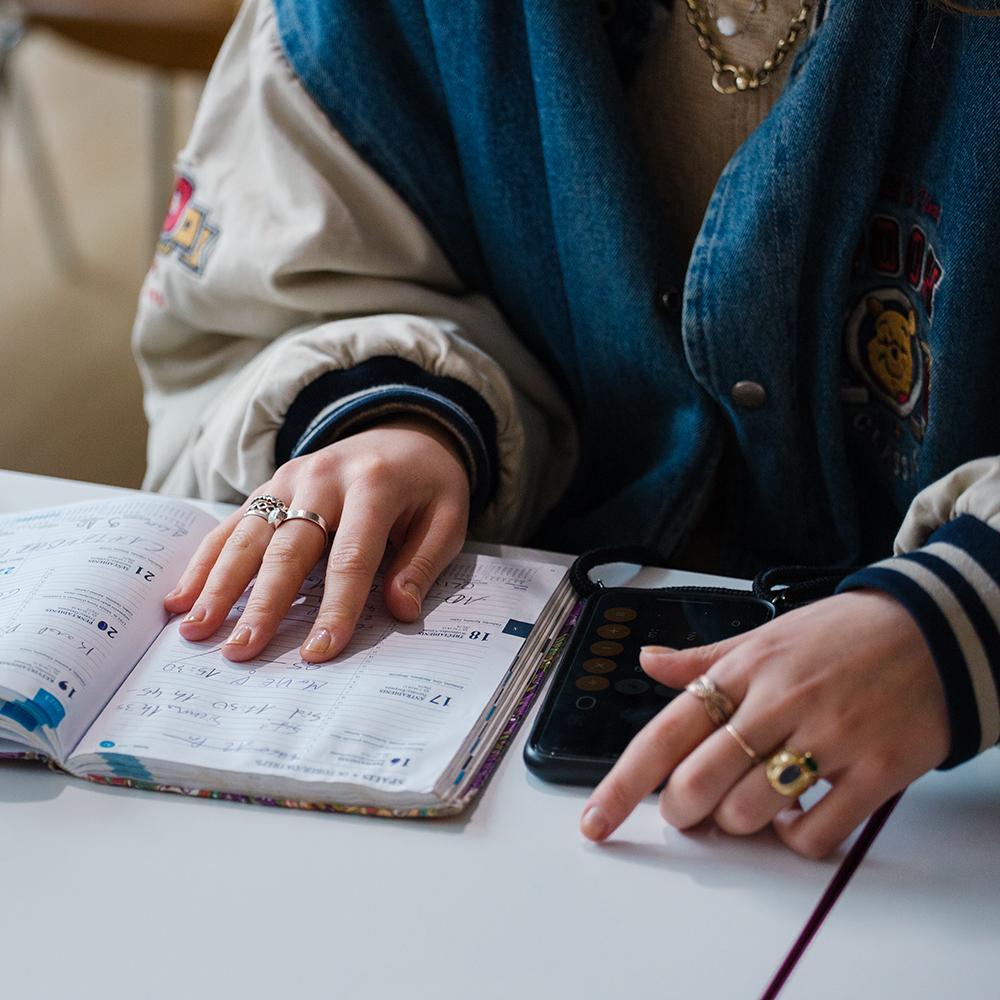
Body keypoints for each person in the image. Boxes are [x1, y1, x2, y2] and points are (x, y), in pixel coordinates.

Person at [135, 0, 1000, 858]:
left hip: (939, 811)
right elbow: (264, 284)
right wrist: (394, 413)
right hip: (504, 792)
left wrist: (965, 615)